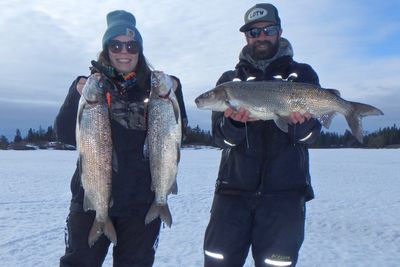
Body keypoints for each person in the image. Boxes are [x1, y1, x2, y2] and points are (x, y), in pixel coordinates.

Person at [55, 10, 188, 267]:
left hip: (141, 203)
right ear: (107, 49)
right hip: (91, 198)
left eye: (131, 45)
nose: (124, 51)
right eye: (116, 45)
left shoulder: (155, 86)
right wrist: (76, 95)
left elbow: (177, 134)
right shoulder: (90, 86)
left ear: (139, 50)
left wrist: (175, 94)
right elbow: (63, 134)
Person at [203, 3, 321, 267]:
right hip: (232, 196)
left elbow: (311, 136)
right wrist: (232, 125)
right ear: (246, 37)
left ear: (279, 31)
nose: (261, 36)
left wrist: (299, 125)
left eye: (267, 30)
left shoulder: (301, 75)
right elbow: (219, 139)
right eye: (254, 32)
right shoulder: (230, 81)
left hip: (285, 197)